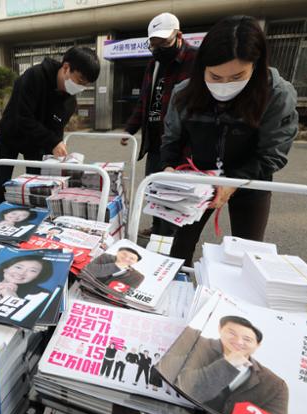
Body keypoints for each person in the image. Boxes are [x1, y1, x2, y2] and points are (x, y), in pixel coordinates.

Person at [160, 16, 298, 266]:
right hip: (197, 181)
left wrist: (233, 182)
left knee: (250, 253)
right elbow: (171, 138)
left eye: (237, 77)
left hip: (250, 180)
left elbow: (272, 153)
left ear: (256, 66)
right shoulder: (185, 92)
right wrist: (170, 167)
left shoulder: (276, 94)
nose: (224, 85)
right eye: (215, 76)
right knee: (180, 249)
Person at [0, 47, 100, 204]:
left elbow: (56, 130)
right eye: (80, 80)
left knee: (38, 184)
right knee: (1, 180)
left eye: (86, 85)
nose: (81, 87)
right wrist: (52, 141)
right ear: (66, 67)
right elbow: (23, 117)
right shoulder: (34, 76)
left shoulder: (70, 101)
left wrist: (58, 150)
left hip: (37, 142)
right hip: (11, 133)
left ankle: (32, 216)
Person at [123, 13, 196, 238]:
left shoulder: (195, 60)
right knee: (155, 188)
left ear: (179, 36)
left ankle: (175, 235)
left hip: (182, 142)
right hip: (154, 139)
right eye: (154, 45)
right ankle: (158, 228)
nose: (158, 49)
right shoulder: (153, 63)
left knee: (178, 193)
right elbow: (145, 100)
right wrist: (130, 128)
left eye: (164, 43)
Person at [158, 316, 289, 414]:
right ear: (220, 329)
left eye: (247, 339)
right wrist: (230, 363)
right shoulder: (192, 341)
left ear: (257, 345)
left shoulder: (276, 386)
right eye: (232, 333)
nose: (238, 341)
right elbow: (187, 390)